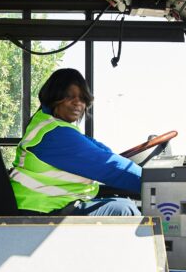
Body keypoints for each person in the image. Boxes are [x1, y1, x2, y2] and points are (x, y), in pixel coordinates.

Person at [9, 68, 142, 216]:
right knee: (125, 210)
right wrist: (153, 181)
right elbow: (108, 166)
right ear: (54, 97)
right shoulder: (55, 135)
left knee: (121, 202)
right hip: (41, 211)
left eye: (82, 97)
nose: (78, 103)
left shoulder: (52, 126)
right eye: (69, 96)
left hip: (48, 205)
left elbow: (103, 154)